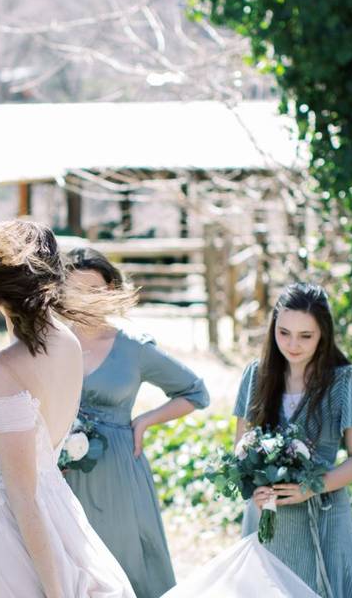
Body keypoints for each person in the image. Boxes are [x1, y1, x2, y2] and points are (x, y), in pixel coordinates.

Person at [0, 220, 135, 598]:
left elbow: (22, 494)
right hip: (58, 510)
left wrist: (57, 590)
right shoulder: (67, 343)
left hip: (13, 530)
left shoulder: (5, 367)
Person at [63, 247, 209, 598]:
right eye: (75, 289)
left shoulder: (133, 348)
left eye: (94, 289)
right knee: (69, 567)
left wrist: (145, 419)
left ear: (112, 291)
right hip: (61, 473)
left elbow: (195, 391)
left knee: (125, 562)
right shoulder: (51, 343)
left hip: (118, 472)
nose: (84, 298)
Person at [233, 282, 352, 597]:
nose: (292, 345)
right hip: (266, 513)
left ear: (323, 334)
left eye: (305, 336)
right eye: (283, 333)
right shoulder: (255, 376)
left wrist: (310, 487)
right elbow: (241, 448)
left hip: (324, 512)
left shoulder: (347, 380)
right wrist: (255, 486)